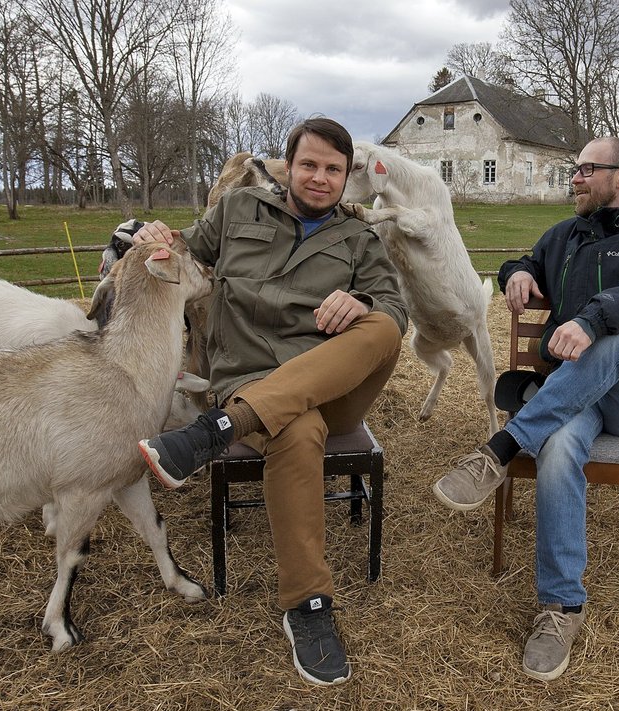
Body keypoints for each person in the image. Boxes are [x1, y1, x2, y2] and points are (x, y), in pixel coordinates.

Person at [133, 117, 408, 686]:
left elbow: (395, 308)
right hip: (250, 381)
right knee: (296, 429)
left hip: (334, 389)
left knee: (383, 329)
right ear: (289, 167)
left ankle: (212, 433)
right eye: (310, 165)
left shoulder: (360, 239)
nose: (321, 178)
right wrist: (155, 241)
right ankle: (308, 608)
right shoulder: (239, 212)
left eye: (334, 169)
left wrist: (360, 301)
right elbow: (184, 253)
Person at [432, 137, 619, 681]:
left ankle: (500, 449)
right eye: (574, 169)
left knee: (618, 340)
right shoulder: (566, 236)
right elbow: (523, 259)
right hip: (575, 393)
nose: (574, 178)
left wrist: (595, 319)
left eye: (586, 170)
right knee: (560, 447)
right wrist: (516, 273)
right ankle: (561, 607)